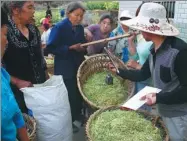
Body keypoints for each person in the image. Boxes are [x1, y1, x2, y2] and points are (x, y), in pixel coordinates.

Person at [108, 2, 187, 140]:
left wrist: (158, 97)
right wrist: (119, 71)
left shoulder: (179, 51)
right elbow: (143, 74)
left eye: (141, 26)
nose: (139, 30)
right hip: (163, 111)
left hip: (178, 115)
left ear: (150, 29)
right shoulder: (153, 50)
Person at [46, 1, 87, 133]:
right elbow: (50, 48)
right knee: (68, 94)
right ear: (69, 13)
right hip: (65, 67)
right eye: (76, 15)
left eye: (81, 16)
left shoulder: (80, 28)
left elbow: (83, 44)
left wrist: (83, 47)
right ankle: (69, 121)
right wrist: (69, 48)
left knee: (78, 92)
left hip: (78, 65)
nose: (79, 18)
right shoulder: (59, 27)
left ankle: (77, 114)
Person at [2, 1, 48, 114]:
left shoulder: (33, 29)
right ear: (16, 10)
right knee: (26, 123)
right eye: (30, 7)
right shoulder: (4, 32)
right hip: (19, 91)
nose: (34, 11)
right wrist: (16, 81)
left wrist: (46, 73)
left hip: (39, 86)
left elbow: (40, 55)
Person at [1, 7, 29, 141]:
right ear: (16, 10)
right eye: (4, 34)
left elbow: (17, 115)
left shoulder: (2, 75)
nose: (7, 41)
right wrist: (17, 81)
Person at [126, 3, 153, 112]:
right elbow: (135, 55)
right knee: (137, 108)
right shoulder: (142, 35)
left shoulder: (154, 38)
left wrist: (137, 65)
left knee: (144, 110)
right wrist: (130, 41)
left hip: (149, 80)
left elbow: (155, 68)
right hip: (139, 77)